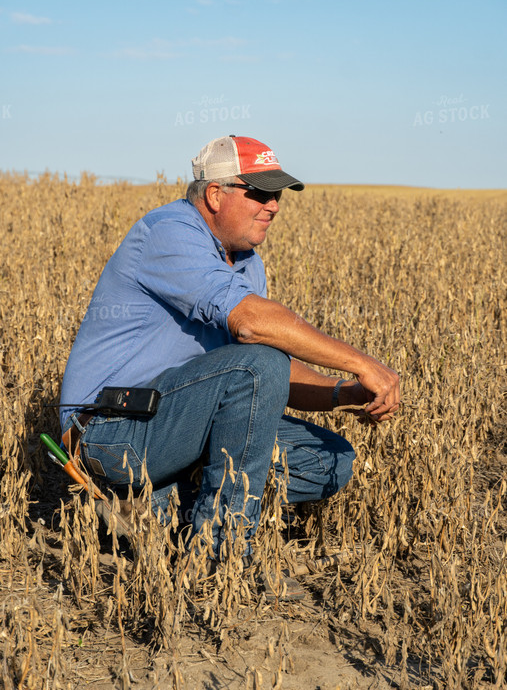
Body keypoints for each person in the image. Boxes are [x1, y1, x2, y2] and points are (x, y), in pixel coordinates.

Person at [60, 134, 400, 569]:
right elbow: (252, 332)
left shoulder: (245, 261)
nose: (273, 205)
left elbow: (266, 374)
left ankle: (155, 508)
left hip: (179, 424)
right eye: (260, 192)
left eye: (276, 194)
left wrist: (342, 393)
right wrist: (362, 362)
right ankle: (219, 555)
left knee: (330, 460)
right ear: (216, 195)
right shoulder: (169, 232)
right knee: (257, 365)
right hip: (114, 431)